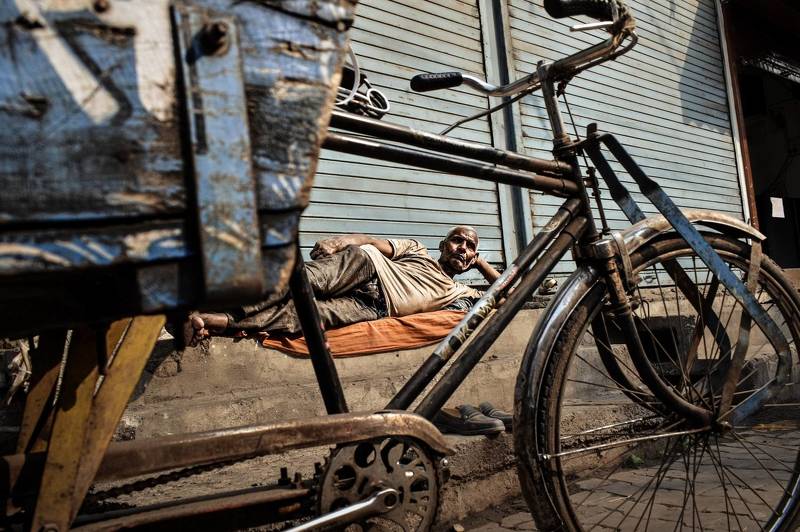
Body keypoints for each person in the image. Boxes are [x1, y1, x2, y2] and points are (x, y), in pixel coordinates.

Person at [187, 226, 511, 435]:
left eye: (469, 246)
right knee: (301, 282)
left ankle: (214, 320)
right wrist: (340, 241)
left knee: (302, 319)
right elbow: (370, 242)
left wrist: (481, 263)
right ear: (442, 245)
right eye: (457, 240)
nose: (462, 248)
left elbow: (508, 293)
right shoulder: (417, 250)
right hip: (365, 268)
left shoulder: (462, 293)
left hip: (372, 308)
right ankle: (205, 297)